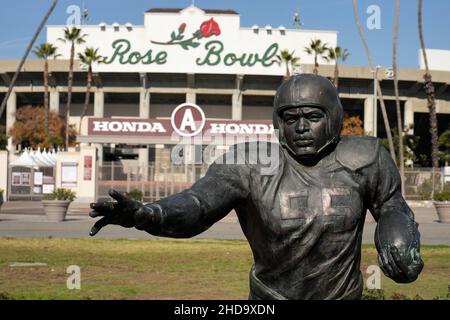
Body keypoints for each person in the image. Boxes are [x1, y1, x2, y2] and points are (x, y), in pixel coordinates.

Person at [89, 74, 423, 300]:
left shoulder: (365, 157)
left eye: (312, 116)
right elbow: (198, 204)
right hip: (270, 297)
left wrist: (399, 242)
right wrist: (150, 214)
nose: (302, 127)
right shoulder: (250, 162)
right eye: (291, 119)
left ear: (334, 117)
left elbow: (392, 205)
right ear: (278, 122)